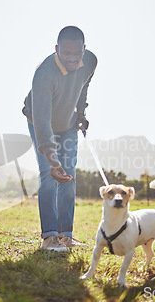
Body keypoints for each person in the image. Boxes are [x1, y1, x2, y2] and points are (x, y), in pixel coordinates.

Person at [22, 26, 98, 251]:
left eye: (78, 53)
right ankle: (49, 236)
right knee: (49, 173)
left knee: (69, 175)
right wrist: (52, 157)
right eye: (66, 53)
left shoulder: (91, 61)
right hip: (39, 121)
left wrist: (81, 113)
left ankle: (66, 235)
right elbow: (42, 119)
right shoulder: (44, 74)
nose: (73, 59)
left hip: (67, 123)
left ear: (84, 49)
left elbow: (83, 86)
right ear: (57, 49)